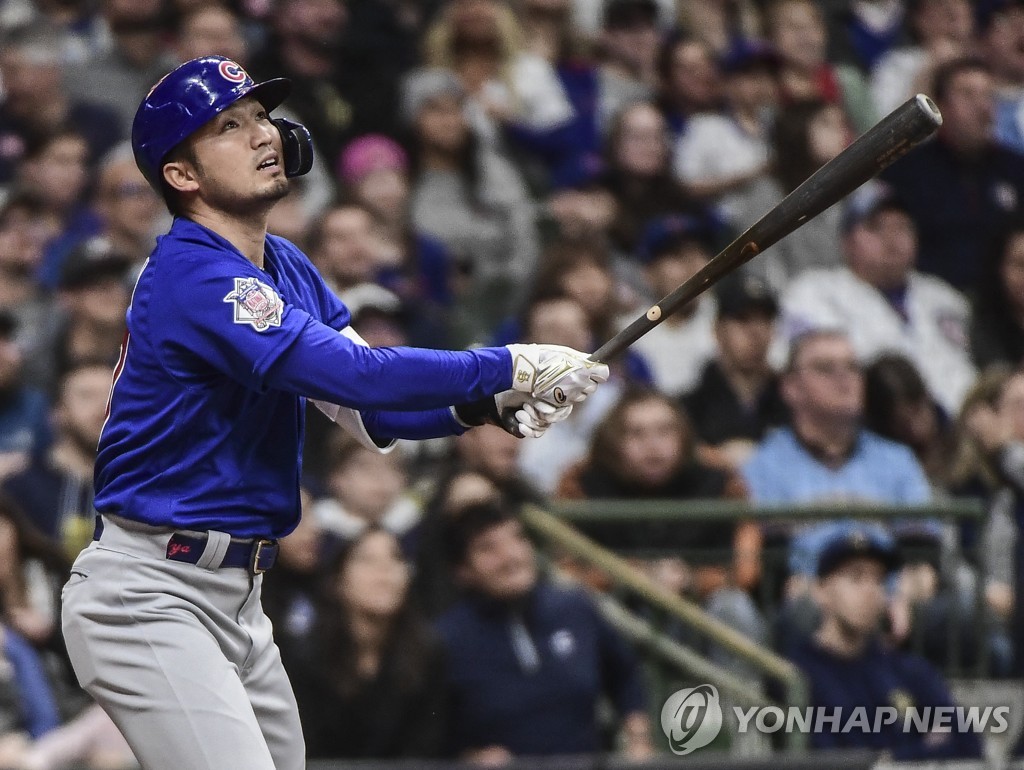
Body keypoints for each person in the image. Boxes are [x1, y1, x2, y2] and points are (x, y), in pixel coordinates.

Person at [59, 55, 610, 770]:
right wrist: (507, 364)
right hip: (150, 593)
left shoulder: (284, 263)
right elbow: (360, 373)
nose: (263, 135)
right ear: (181, 175)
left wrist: (486, 408)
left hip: (238, 598)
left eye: (261, 116)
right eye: (230, 126)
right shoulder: (193, 274)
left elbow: (368, 415)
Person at [436, 500, 653, 762]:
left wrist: (638, 735)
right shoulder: (445, 640)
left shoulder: (574, 607)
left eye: (517, 539)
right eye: (488, 549)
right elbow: (428, 735)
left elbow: (624, 674)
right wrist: (469, 758)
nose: (511, 556)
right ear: (463, 571)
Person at [787, 522, 982, 759]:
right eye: (856, 578)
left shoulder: (905, 669)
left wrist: (885, 757)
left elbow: (967, 743)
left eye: (878, 580)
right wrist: (919, 749)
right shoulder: (796, 675)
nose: (870, 591)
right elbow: (830, 759)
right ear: (821, 591)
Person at [780, 181, 976, 417]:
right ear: (846, 240)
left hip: (961, 434)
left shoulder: (945, 299)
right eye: (875, 227)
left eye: (902, 227)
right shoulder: (814, 293)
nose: (892, 239)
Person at [287, 527, 447, 760]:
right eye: (367, 560)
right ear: (338, 580)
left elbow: (425, 746)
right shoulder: (306, 655)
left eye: (396, 558)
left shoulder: (430, 652)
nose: (385, 570)